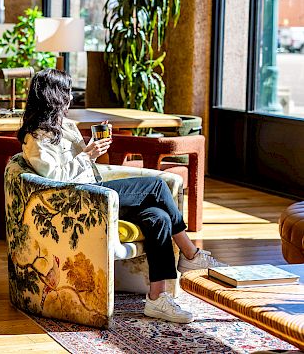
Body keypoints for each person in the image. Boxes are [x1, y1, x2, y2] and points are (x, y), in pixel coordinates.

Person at [18, 68, 226, 324]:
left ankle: (157, 298)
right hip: (86, 201)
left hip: (97, 189)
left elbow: (78, 161)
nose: (71, 98)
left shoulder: (64, 126)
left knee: (158, 217)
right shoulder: (35, 139)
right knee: (157, 188)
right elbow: (54, 181)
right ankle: (191, 254)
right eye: (67, 93)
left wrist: (93, 144)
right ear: (53, 97)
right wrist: (89, 155)